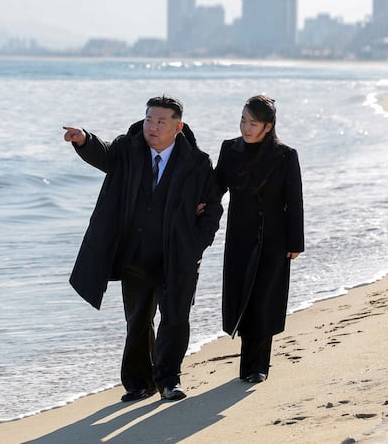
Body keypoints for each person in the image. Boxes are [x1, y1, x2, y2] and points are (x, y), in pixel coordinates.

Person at [63, 95, 222, 402]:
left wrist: (196, 245)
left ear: (178, 126)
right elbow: (105, 155)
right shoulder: (129, 149)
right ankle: (139, 383)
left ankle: (168, 381)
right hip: (137, 255)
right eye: (149, 119)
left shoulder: (197, 163)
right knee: (137, 321)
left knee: (175, 318)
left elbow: (213, 208)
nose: (153, 127)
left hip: (177, 256)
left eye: (161, 121)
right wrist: (84, 140)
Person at [214, 94, 304, 383]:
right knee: (242, 296)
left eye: (253, 123)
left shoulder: (285, 155)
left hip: (274, 239)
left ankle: (257, 367)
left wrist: (295, 243)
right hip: (239, 236)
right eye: (243, 120)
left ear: (269, 125)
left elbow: (294, 201)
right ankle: (248, 364)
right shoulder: (229, 150)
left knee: (264, 299)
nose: (246, 127)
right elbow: (216, 186)